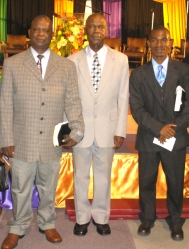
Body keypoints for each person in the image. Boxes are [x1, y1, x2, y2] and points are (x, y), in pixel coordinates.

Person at [0, 15, 84, 249]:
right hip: (21, 140)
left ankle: (47, 223)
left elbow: (73, 101)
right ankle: (18, 226)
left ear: (52, 34)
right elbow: (5, 104)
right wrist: (5, 139)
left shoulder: (66, 66)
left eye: (45, 30)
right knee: (20, 187)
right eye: (36, 29)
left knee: (49, 186)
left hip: (52, 140)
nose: (40, 33)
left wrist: (77, 131)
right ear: (29, 32)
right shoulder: (13, 63)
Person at [129, 26, 189, 241]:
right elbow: (137, 108)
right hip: (149, 137)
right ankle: (147, 218)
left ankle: (176, 220)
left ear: (170, 43)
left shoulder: (184, 70)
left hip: (175, 137)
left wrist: (172, 129)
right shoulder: (138, 74)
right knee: (147, 181)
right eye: (155, 41)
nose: (159, 45)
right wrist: (158, 128)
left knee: (175, 181)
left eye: (164, 40)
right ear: (148, 44)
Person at [67, 13, 129, 236]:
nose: (96, 30)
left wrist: (120, 130)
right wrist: (70, 129)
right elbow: (69, 99)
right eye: (91, 26)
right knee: (80, 175)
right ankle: (82, 218)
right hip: (80, 131)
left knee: (103, 176)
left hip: (107, 129)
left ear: (106, 31)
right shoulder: (72, 60)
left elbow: (123, 97)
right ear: (85, 30)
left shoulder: (120, 60)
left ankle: (102, 216)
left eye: (100, 27)